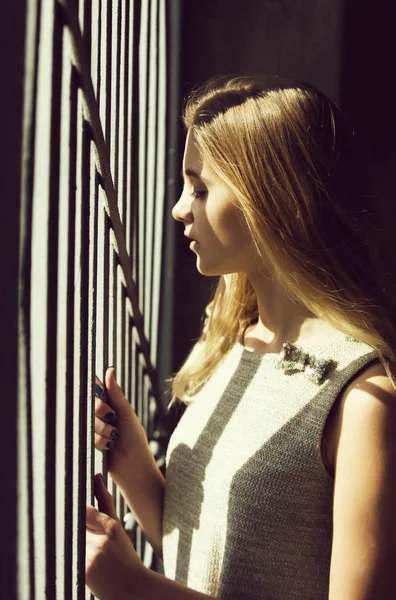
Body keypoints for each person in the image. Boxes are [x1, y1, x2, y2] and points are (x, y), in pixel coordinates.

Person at [86, 75, 396, 600]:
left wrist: (132, 586)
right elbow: (219, 561)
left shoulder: (364, 395)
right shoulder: (237, 345)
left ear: (275, 199)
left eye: (201, 188)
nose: (180, 209)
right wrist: (135, 465)